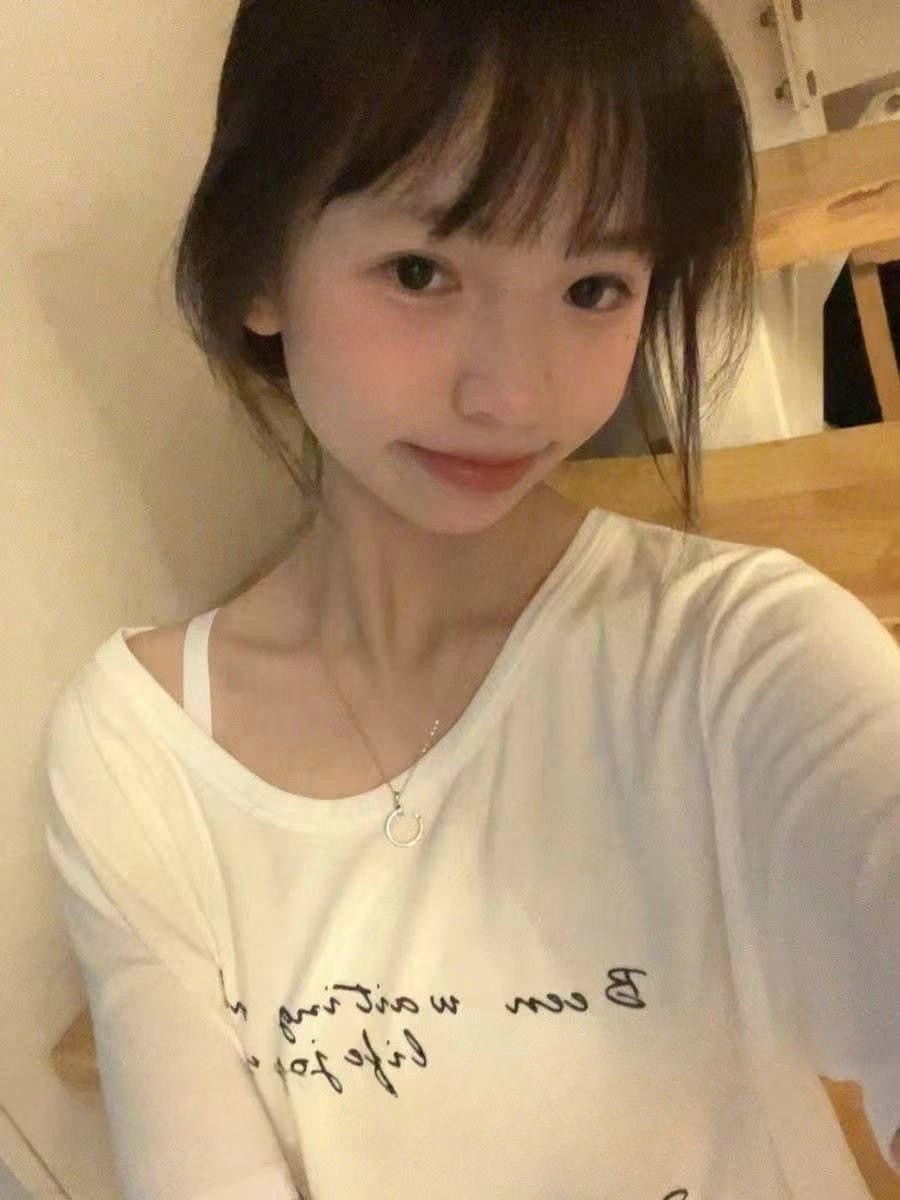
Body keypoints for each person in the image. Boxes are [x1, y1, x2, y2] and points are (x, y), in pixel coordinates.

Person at [42, 2, 899, 1198]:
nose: (513, 395)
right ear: (261, 267)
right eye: (422, 271)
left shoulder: (742, 657)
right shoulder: (138, 758)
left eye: (594, 286)